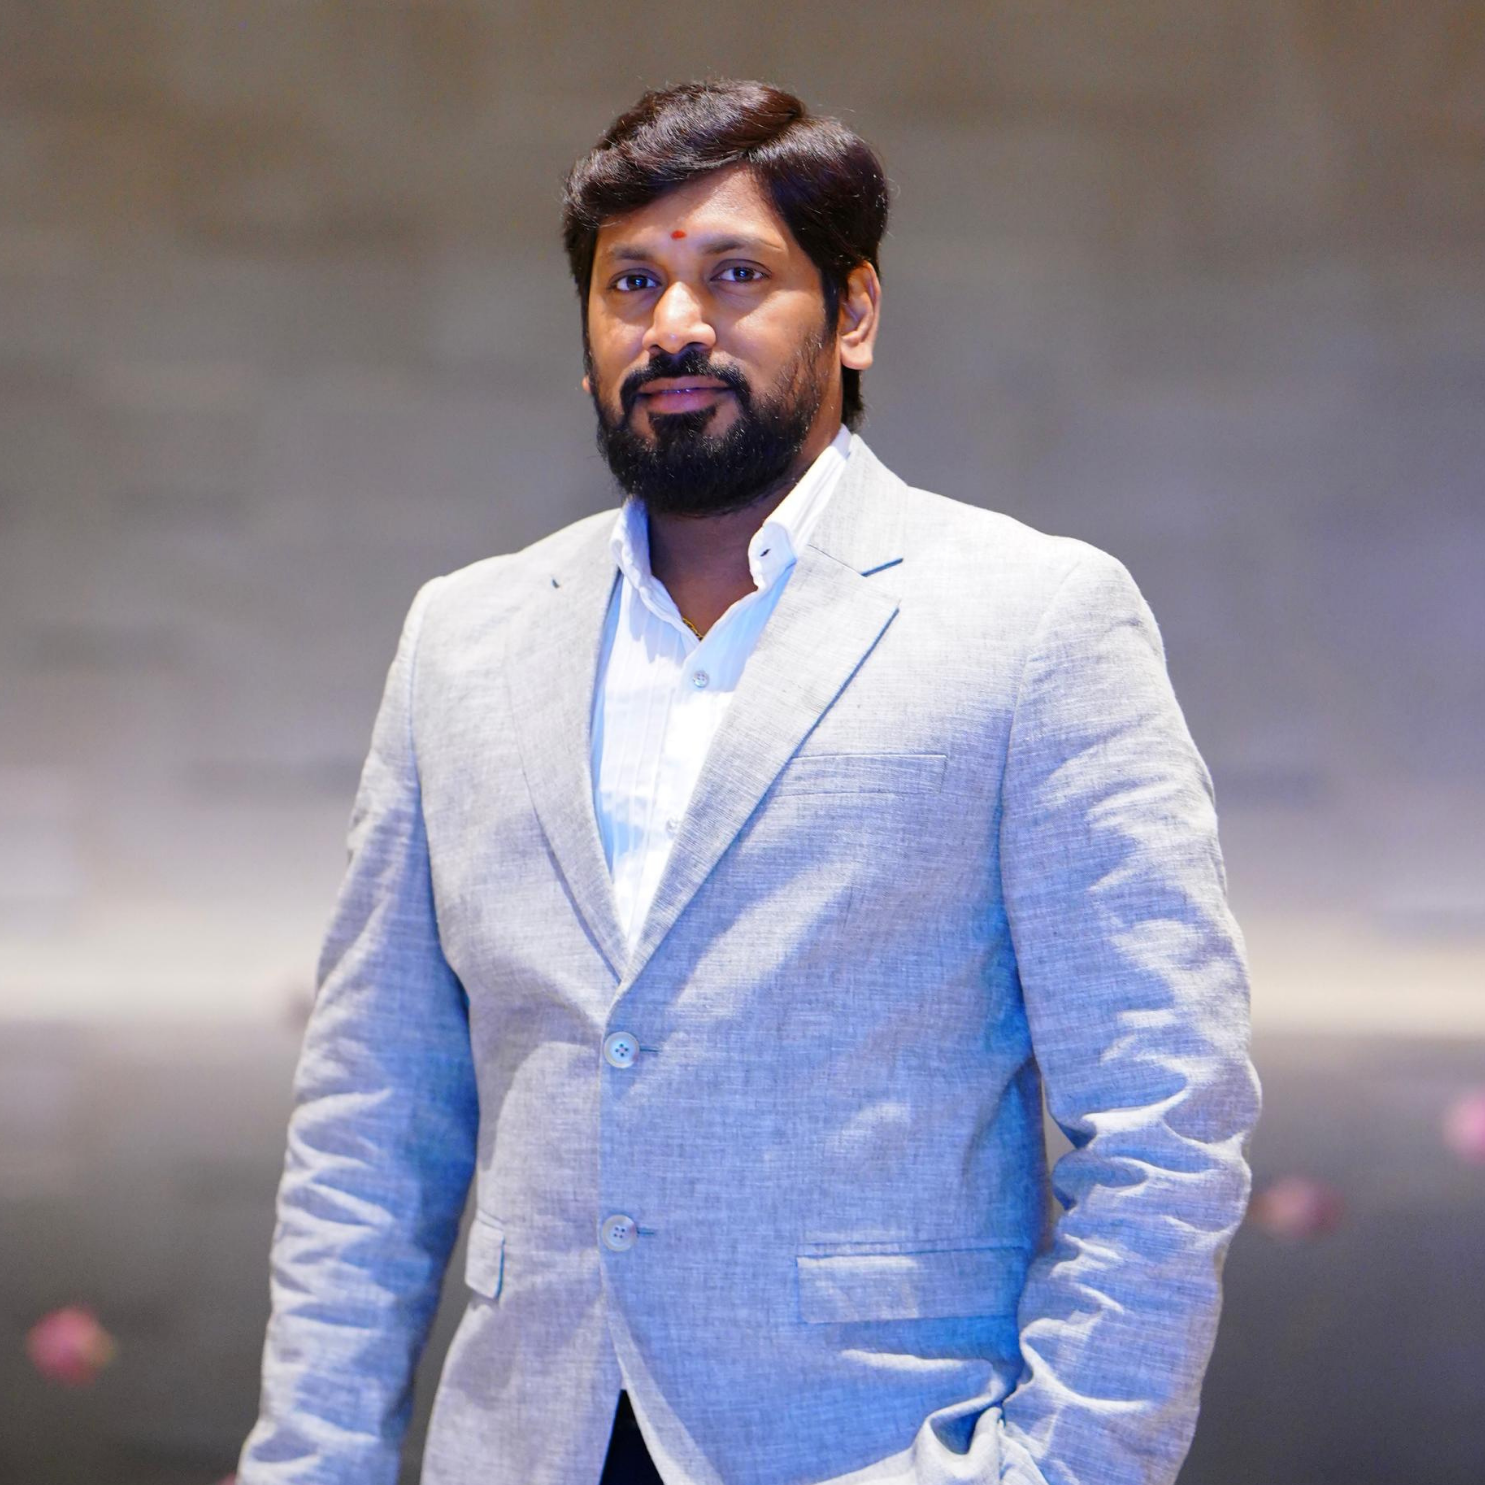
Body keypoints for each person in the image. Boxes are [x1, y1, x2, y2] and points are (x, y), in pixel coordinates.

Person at [236, 79, 1262, 1485]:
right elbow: (372, 1121)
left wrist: (1061, 1466)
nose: (674, 324)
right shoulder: (463, 640)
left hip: (879, 1450)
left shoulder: (1035, 623)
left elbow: (1165, 1114)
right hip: (521, 1444)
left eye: (736, 275)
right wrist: (309, 1462)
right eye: (631, 282)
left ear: (854, 312)